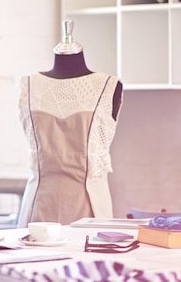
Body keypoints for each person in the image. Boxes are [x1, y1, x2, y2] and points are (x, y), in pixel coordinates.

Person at [17, 20, 123, 227]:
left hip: (90, 210)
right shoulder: (29, 85)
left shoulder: (109, 86)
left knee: (88, 259)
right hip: (38, 211)